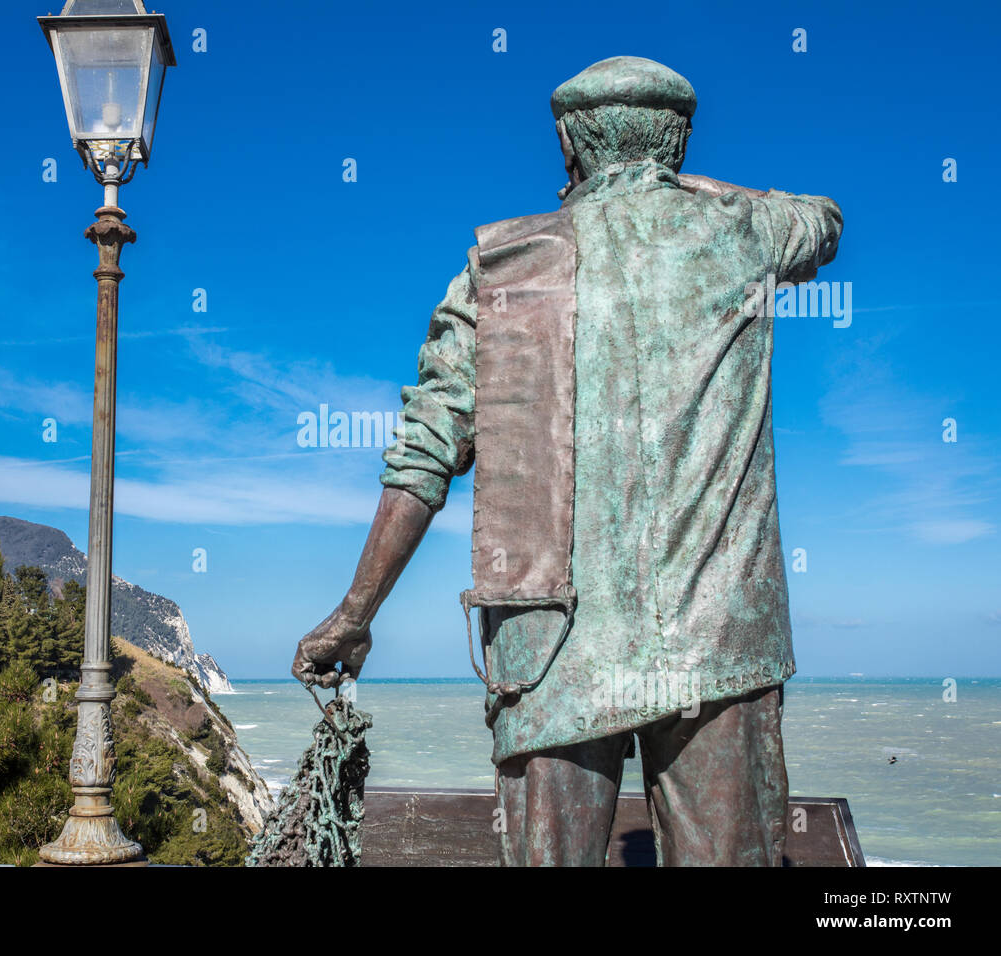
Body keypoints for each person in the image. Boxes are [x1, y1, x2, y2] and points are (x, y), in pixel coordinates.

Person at [292, 56, 843, 866]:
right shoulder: (744, 233)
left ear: (568, 146)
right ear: (679, 142)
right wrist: (691, 190)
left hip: (551, 653)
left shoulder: (502, 268)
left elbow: (424, 459)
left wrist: (354, 615)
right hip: (717, 646)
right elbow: (823, 219)